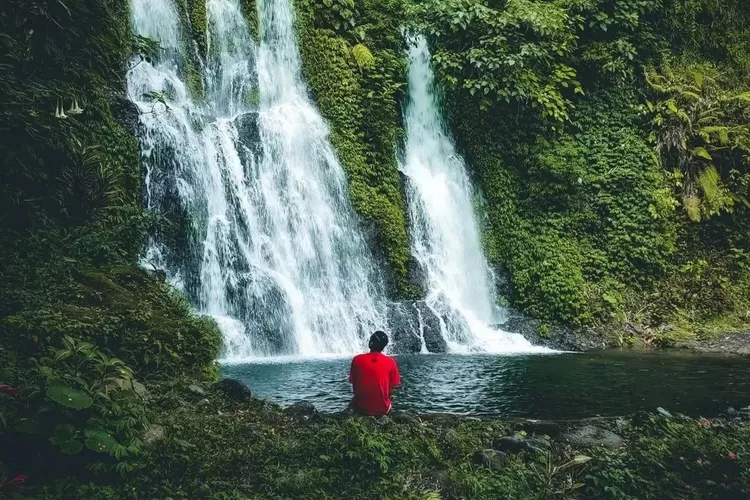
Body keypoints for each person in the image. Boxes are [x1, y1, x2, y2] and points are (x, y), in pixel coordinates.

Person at [348, 331, 401, 416]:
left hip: (361, 407)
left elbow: (354, 384)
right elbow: (392, 389)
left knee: (353, 403)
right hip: (382, 409)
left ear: (370, 343)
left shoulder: (357, 359)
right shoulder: (391, 362)